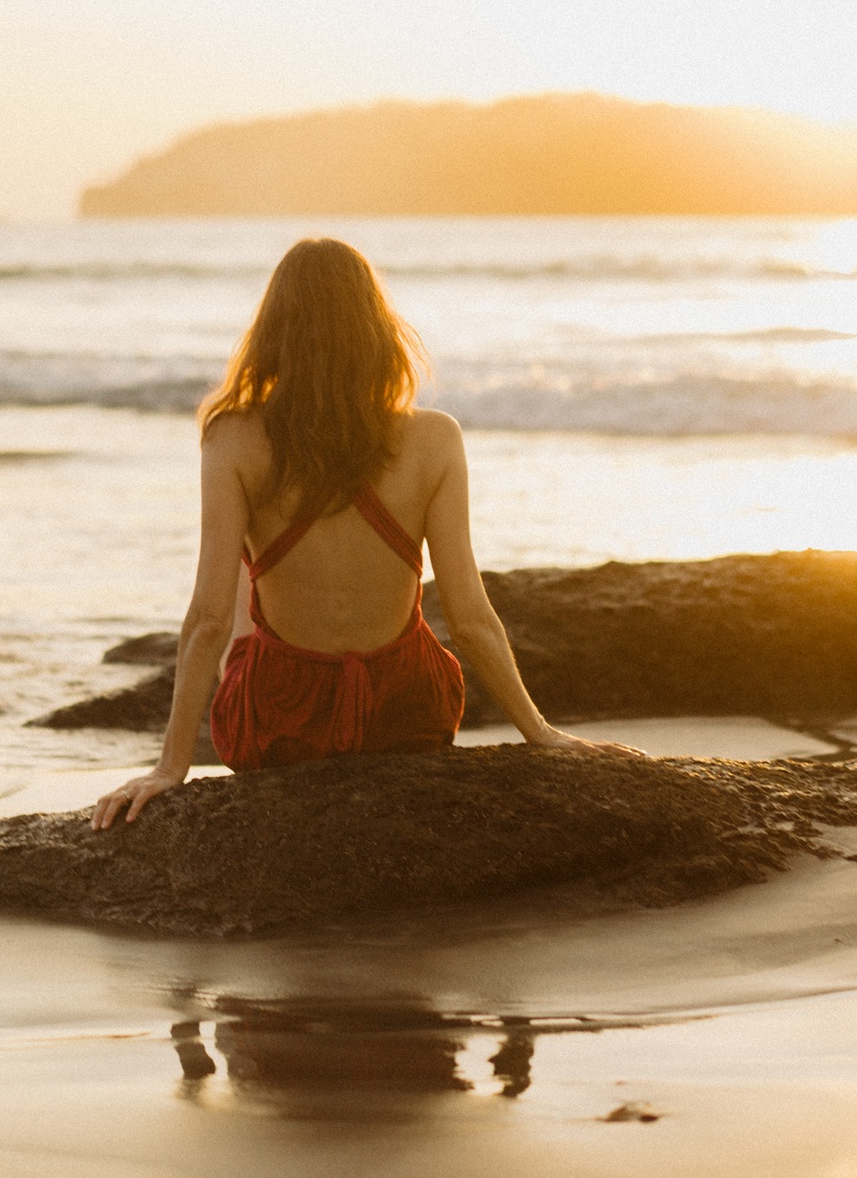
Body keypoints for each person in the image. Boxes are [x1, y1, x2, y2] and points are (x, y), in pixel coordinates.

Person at [93, 238, 641, 830]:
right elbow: (469, 614)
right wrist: (540, 731)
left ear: (275, 330)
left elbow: (208, 621)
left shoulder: (232, 438)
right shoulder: (435, 439)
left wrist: (170, 768)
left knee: (242, 576)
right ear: (376, 330)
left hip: (281, 722)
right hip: (404, 713)